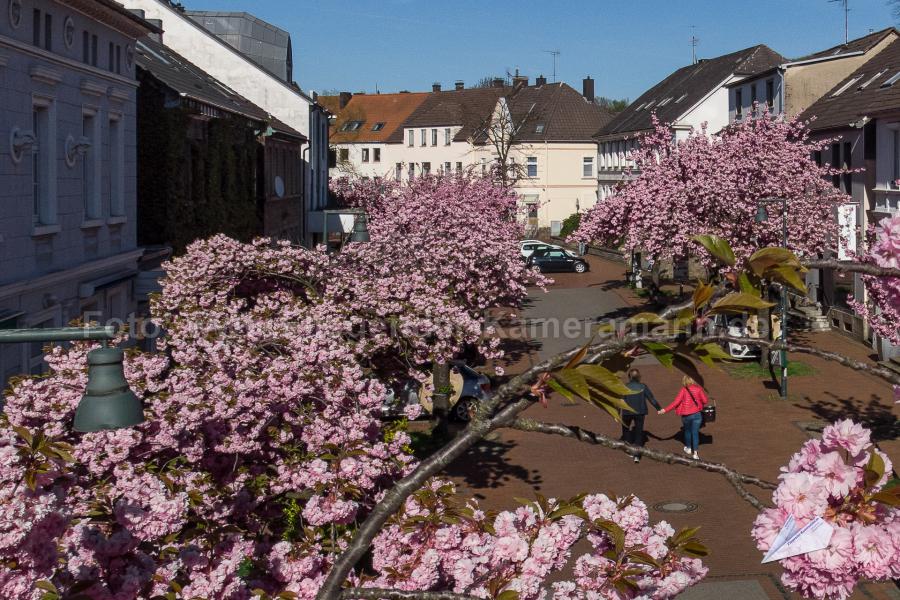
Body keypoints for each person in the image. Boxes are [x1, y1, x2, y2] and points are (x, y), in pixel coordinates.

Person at [659, 376, 709, 460]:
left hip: (686, 415)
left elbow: (675, 402)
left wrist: (665, 410)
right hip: (697, 414)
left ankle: (688, 448)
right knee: (695, 433)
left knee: (687, 431)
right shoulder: (698, 389)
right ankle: (695, 453)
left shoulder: (683, 390)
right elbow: (705, 401)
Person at [622, 368, 661, 463]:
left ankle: (629, 449)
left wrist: (616, 413)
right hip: (640, 412)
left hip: (627, 412)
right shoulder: (643, 386)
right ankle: (637, 455)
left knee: (626, 430)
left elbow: (620, 401)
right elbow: (652, 399)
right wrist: (659, 409)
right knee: (639, 433)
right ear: (639, 377)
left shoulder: (624, 386)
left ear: (629, 377)